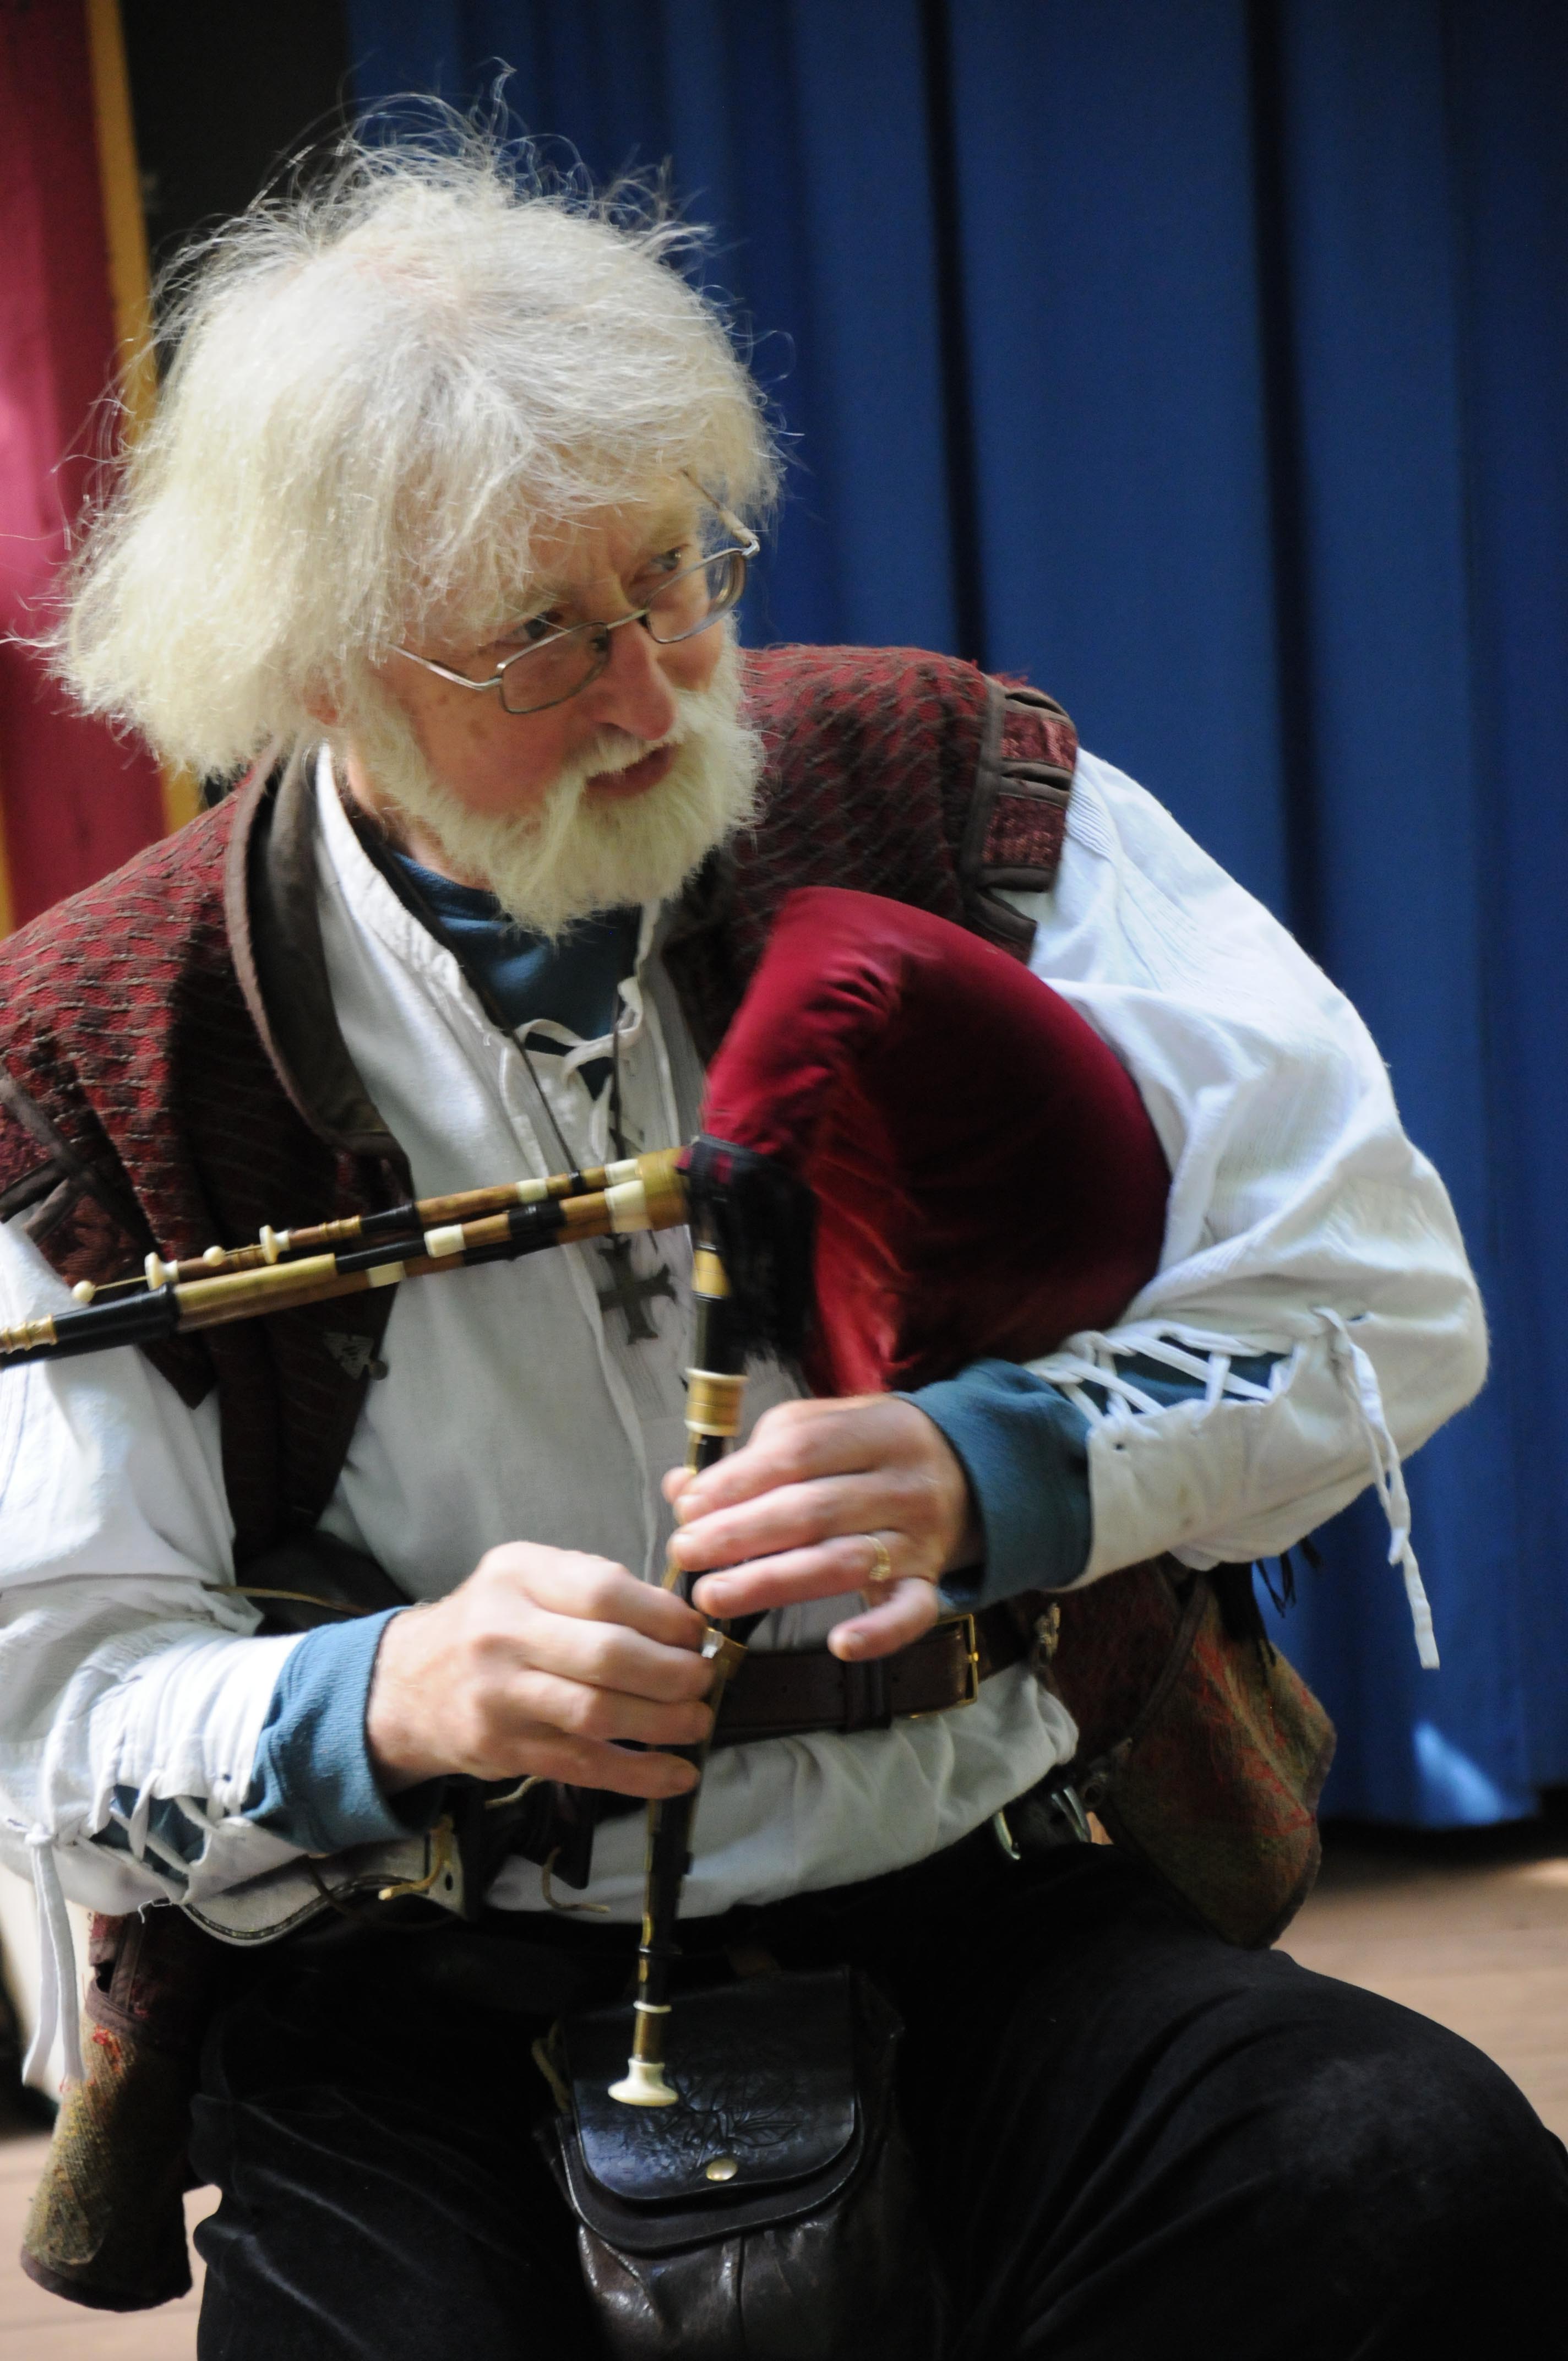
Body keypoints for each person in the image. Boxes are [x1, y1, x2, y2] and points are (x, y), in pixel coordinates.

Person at [1, 129, 1562, 2359]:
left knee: (1410, 2179)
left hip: (984, 1890)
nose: (654, 694)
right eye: (542, 638)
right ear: (325, 675)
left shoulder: (944, 791)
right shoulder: (94, 1057)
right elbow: (49, 1703)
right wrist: (386, 1695)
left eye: (674, 576)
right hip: (412, 1980)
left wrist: (1009, 1465)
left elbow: (1376, 1297)